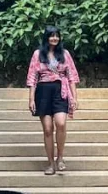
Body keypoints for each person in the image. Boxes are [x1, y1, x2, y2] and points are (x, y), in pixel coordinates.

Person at [26, 26, 80, 176]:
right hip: (42, 92)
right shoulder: (38, 54)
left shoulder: (64, 54)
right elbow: (32, 77)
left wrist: (74, 98)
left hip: (60, 91)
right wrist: (31, 99)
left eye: (57, 36)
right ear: (46, 37)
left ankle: (60, 158)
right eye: (51, 36)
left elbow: (72, 76)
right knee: (48, 129)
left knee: (61, 123)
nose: (54, 38)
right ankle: (50, 163)